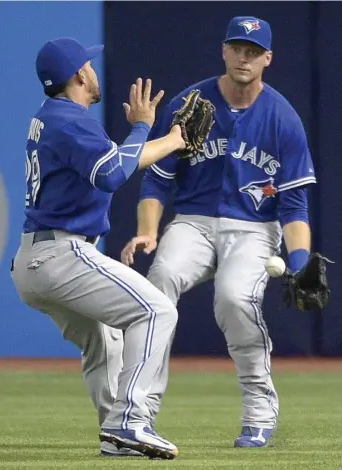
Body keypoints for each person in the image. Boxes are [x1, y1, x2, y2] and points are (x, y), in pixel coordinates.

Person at [121, 16, 316, 448]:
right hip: (192, 222)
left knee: (234, 299)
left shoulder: (283, 119)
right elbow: (156, 179)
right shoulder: (191, 103)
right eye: (237, 48)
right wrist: (148, 232)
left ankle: (260, 412)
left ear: (267, 58)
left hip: (253, 229)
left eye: (253, 51)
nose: (243, 57)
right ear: (224, 51)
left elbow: (294, 203)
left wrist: (300, 259)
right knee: (159, 286)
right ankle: (135, 416)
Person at [11, 37, 187, 460]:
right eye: (88, 63)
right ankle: (129, 420)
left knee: (104, 344)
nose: (93, 69)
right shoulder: (71, 120)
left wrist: (171, 140)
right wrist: (144, 127)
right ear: (78, 76)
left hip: (34, 259)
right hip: (61, 253)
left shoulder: (51, 117)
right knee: (156, 309)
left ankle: (118, 435)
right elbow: (111, 174)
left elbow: (116, 160)